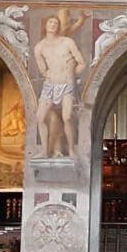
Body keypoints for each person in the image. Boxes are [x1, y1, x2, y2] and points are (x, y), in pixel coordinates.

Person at [32, 16, 87, 158]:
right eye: (50, 22)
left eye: (56, 23)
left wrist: (71, 74)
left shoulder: (67, 42)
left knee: (67, 117)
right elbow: (43, 70)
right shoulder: (40, 47)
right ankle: (45, 151)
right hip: (50, 86)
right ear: (45, 25)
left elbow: (82, 63)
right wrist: (51, 76)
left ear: (58, 26)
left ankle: (72, 150)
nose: (53, 25)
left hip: (67, 85)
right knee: (40, 117)